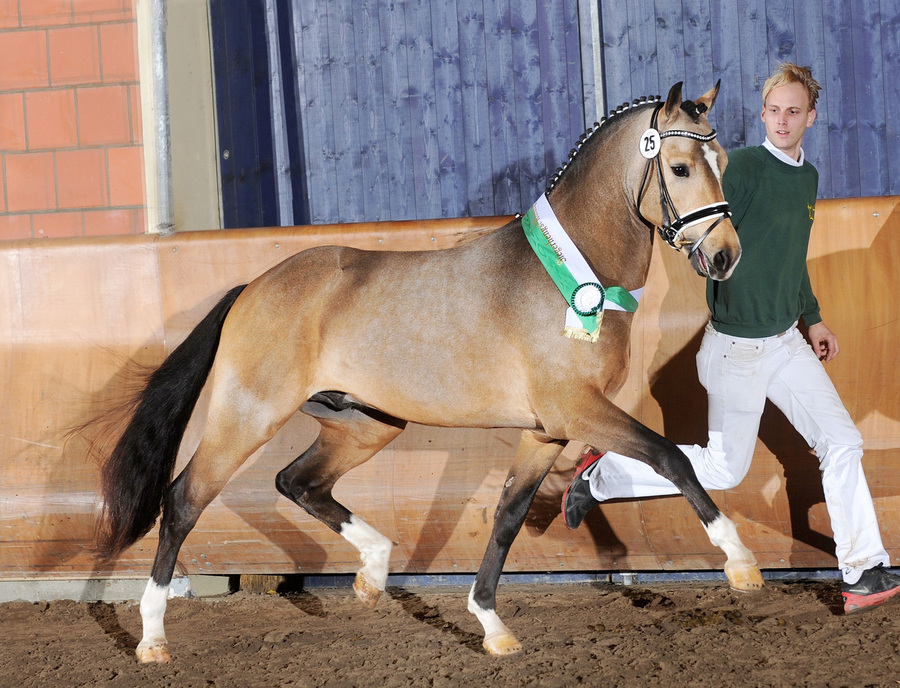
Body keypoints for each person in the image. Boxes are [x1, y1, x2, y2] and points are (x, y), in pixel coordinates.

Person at [561, 63, 900, 613]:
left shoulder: (807, 178)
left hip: (785, 344)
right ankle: (604, 472)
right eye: (774, 111)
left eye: (793, 112)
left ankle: (863, 570)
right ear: (763, 114)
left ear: (811, 118)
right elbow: (699, 229)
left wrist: (812, 317)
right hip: (736, 349)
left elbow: (792, 258)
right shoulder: (737, 168)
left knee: (843, 443)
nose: (782, 121)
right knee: (724, 469)